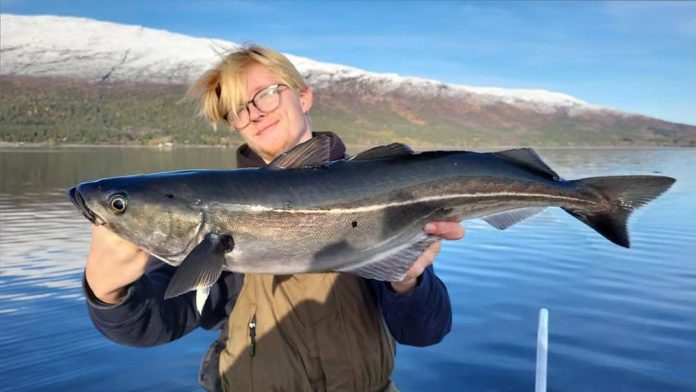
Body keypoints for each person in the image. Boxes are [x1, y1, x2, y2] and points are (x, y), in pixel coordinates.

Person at [83, 44, 465, 391]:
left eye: (265, 94)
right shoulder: (209, 220)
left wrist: (407, 279)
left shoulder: (376, 196)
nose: (254, 114)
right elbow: (157, 320)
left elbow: (425, 330)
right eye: (237, 109)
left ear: (303, 95)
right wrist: (107, 294)